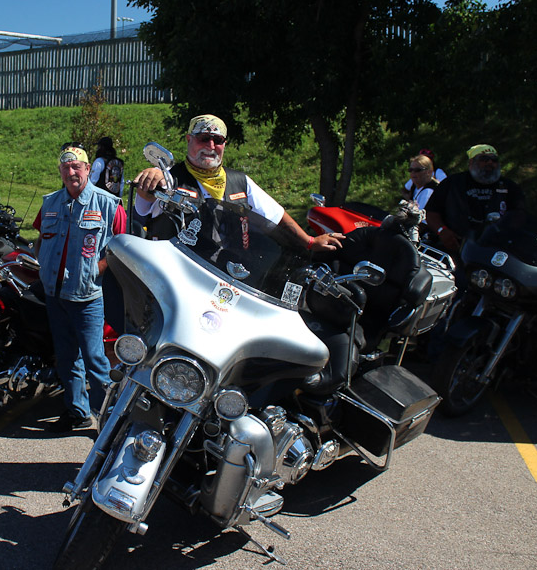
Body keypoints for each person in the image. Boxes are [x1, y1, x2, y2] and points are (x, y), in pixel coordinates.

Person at [132, 114, 344, 252]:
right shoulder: (168, 178)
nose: (211, 146)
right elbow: (142, 208)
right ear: (189, 140)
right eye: (204, 138)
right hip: (176, 274)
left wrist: (310, 242)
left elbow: (277, 216)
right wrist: (151, 177)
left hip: (226, 277)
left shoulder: (240, 181)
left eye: (218, 140)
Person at [33, 142, 127, 432]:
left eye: (76, 166)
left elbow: (123, 245)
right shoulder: (51, 202)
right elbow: (39, 238)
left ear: (88, 169)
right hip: (55, 294)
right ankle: (77, 412)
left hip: (87, 296)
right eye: (66, 167)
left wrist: (97, 269)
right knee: (66, 357)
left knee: (95, 359)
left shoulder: (108, 204)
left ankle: (107, 420)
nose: (71, 172)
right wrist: (44, 264)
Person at [424, 143, 525, 254]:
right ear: (471, 163)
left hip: (495, 249)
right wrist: (442, 231)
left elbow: (519, 215)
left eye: (494, 160)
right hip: (456, 248)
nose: (490, 162)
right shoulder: (453, 183)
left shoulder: (509, 186)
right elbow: (431, 213)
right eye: (484, 159)